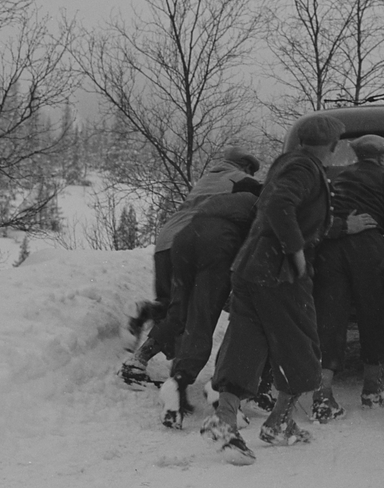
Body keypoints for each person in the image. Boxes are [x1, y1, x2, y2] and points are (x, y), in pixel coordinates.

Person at [201, 113, 345, 464]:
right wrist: (295, 251)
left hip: (251, 267)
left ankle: (224, 420)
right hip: (278, 272)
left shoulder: (289, 163)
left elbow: (280, 206)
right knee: (301, 345)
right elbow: (280, 205)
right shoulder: (306, 168)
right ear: (333, 147)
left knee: (245, 344)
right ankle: (279, 422)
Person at [119, 147, 262, 387]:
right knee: (186, 312)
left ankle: (147, 312)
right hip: (200, 240)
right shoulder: (242, 180)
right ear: (245, 167)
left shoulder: (207, 179)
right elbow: (271, 198)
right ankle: (139, 362)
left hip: (167, 242)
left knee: (173, 305)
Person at [310, 134, 384, 422]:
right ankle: (372, 387)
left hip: (332, 248)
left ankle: (323, 392)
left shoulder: (339, 179)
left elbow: (322, 215)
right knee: (374, 313)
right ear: (381, 157)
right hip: (368, 247)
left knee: (331, 317)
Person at [156, 191, 259, 428]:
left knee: (185, 314)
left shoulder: (223, 199)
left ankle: (177, 381)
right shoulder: (258, 201)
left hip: (183, 241)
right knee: (207, 316)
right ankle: (216, 387)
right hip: (218, 243)